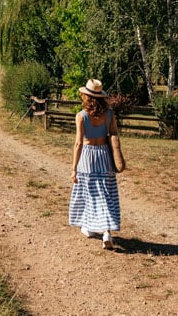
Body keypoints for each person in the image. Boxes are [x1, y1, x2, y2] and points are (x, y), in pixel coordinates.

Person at [68, 78, 120, 250]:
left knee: (90, 194)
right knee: (105, 193)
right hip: (104, 154)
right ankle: (105, 231)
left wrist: (74, 168)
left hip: (87, 158)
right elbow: (114, 136)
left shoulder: (81, 116)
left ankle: (91, 228)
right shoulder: (110, 114)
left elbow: (79, 143)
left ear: (86, 97)